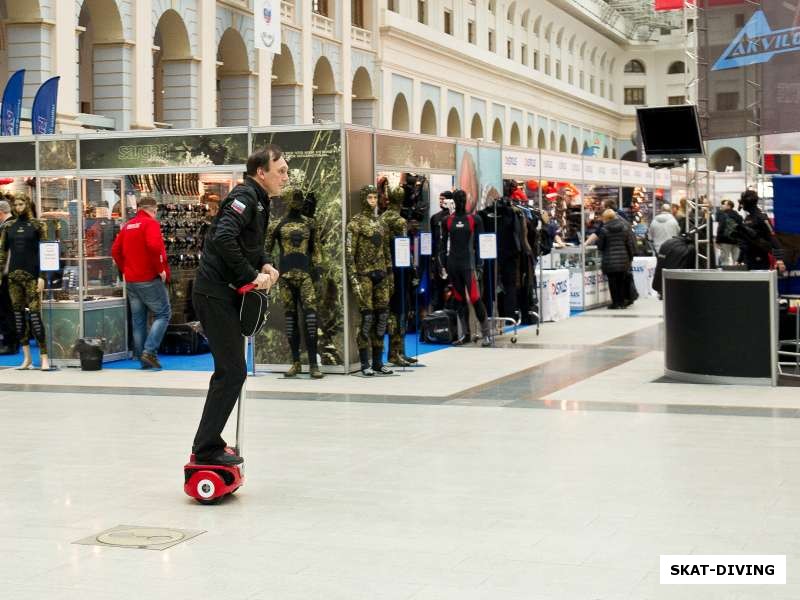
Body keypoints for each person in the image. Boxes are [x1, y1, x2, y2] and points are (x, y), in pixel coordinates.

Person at [190, 146, 284, 466]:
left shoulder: (260, 200)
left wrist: (266, 265)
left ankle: (210, 443)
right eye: (280, 170)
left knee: (232, 371)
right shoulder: (243, 196)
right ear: (261, 172)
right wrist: (250, 275)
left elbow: (251, 244)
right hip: (213, 293)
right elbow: (224, 238)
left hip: (227, 294)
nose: (285, 176)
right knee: (231, 371)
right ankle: (205, 449)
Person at [265, 188, 323, 379]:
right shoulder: (277, 225)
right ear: (288, 200)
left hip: (306, 277)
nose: (297, 201)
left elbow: (316, 250)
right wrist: (269, 273)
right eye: (294, 198)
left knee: (311, 319)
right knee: (290, 321)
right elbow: (266, 251)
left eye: (300, 198)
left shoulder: (310, 223)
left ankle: (314, 364)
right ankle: (296, 362)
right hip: (286, 278)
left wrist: (318, 273)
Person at [111, 196, 171, 370]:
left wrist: (125, 269)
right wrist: (160, 269)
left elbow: (115, 250)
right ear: (153, 209)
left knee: (138, 319)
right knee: (163, 314)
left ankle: (141, 356)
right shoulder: (150, 224)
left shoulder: (128, 225)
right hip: (149, 278)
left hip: (131, 280)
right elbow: (153, 246)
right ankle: (149, 352)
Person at [346, 185, 394, 376]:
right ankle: (364, 363)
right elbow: (350, 253)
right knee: (367, 318)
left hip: (381, 274)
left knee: (382, 318)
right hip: (363, 275)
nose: (373, 201)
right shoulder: (355, 224)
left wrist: (390, 276)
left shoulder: (382, 224)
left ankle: (378, 362)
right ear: (364, 199)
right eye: (370, 198)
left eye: (375, 197)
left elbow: (387, 252)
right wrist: (354, 279)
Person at [0, 195, 50, 369]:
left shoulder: (38, 225)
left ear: (27, 204)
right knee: (18, 317)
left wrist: (43, 276)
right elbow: (2, 254)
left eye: (21, 204)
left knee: (35, 316)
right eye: (16, 204)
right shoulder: (8, 226)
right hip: (13, 277)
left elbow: (45, 252)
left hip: (32, 276)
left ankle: (44, 356)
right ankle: (27, 357)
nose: (18, 207)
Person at [440, 189, 492, 346]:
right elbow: (442, 246)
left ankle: (486, 335)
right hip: (453, 264)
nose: (461, 202)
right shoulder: (447, 221)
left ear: (466, 201)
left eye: (463, 199)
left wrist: (480, 264)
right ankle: (466, 335)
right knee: (459, 299)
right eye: (458, 199)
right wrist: (442, 264)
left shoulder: (475, 219)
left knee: (476, 299)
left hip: (468, 265)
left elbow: (481, 243)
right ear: (455, 201)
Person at [737, 190, 786, 273]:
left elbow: (772, 237)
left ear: (747, 202)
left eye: (743, 202)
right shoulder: (747, 218)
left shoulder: (761, 217)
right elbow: (745, 240)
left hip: (759, 259)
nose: (741, 205)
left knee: (759, 284)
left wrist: (779, 259)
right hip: (747, 259)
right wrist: (739, 259)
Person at [596, 209, 635, 310]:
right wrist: (630, 257)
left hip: (610, 261)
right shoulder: (625, 228)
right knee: (621, 281)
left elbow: (600, 246)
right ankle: (622, 302)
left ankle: (615, 303)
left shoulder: (604, 230)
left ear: (606, 218)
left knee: (612, 282)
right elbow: (629, 244)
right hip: (623, 260)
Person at [0, 198, 16, 352]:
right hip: (12, 272)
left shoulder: (6, 227)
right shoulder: (13, 225)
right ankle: (11, 341)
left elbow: (5, 253)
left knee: (6, 309)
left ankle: (10, 343)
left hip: (6, 274)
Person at [716, 199, 743, 266]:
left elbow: (721, 228)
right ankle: (737, 274)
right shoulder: (738, 216)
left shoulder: (723, 215)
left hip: (725, 240)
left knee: (725, 260)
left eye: (724, 204)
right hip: (736, 240)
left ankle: (725, 275)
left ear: (729, 206)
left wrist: (717, 240)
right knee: (736, 260)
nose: (722, 205)